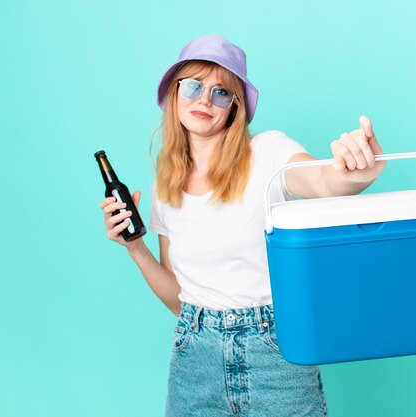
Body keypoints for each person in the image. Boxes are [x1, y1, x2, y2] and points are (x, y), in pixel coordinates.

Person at [99, 34, 385, 417]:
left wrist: (355, 171)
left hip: (276, 353)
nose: (204, 99)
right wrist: (135, 249)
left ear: (234, 108)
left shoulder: (267, 152)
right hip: (194, 358)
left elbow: (322, 181)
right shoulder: (164, 188)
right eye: (194, 86)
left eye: (221, 92)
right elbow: (178, 299)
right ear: (174, 94)